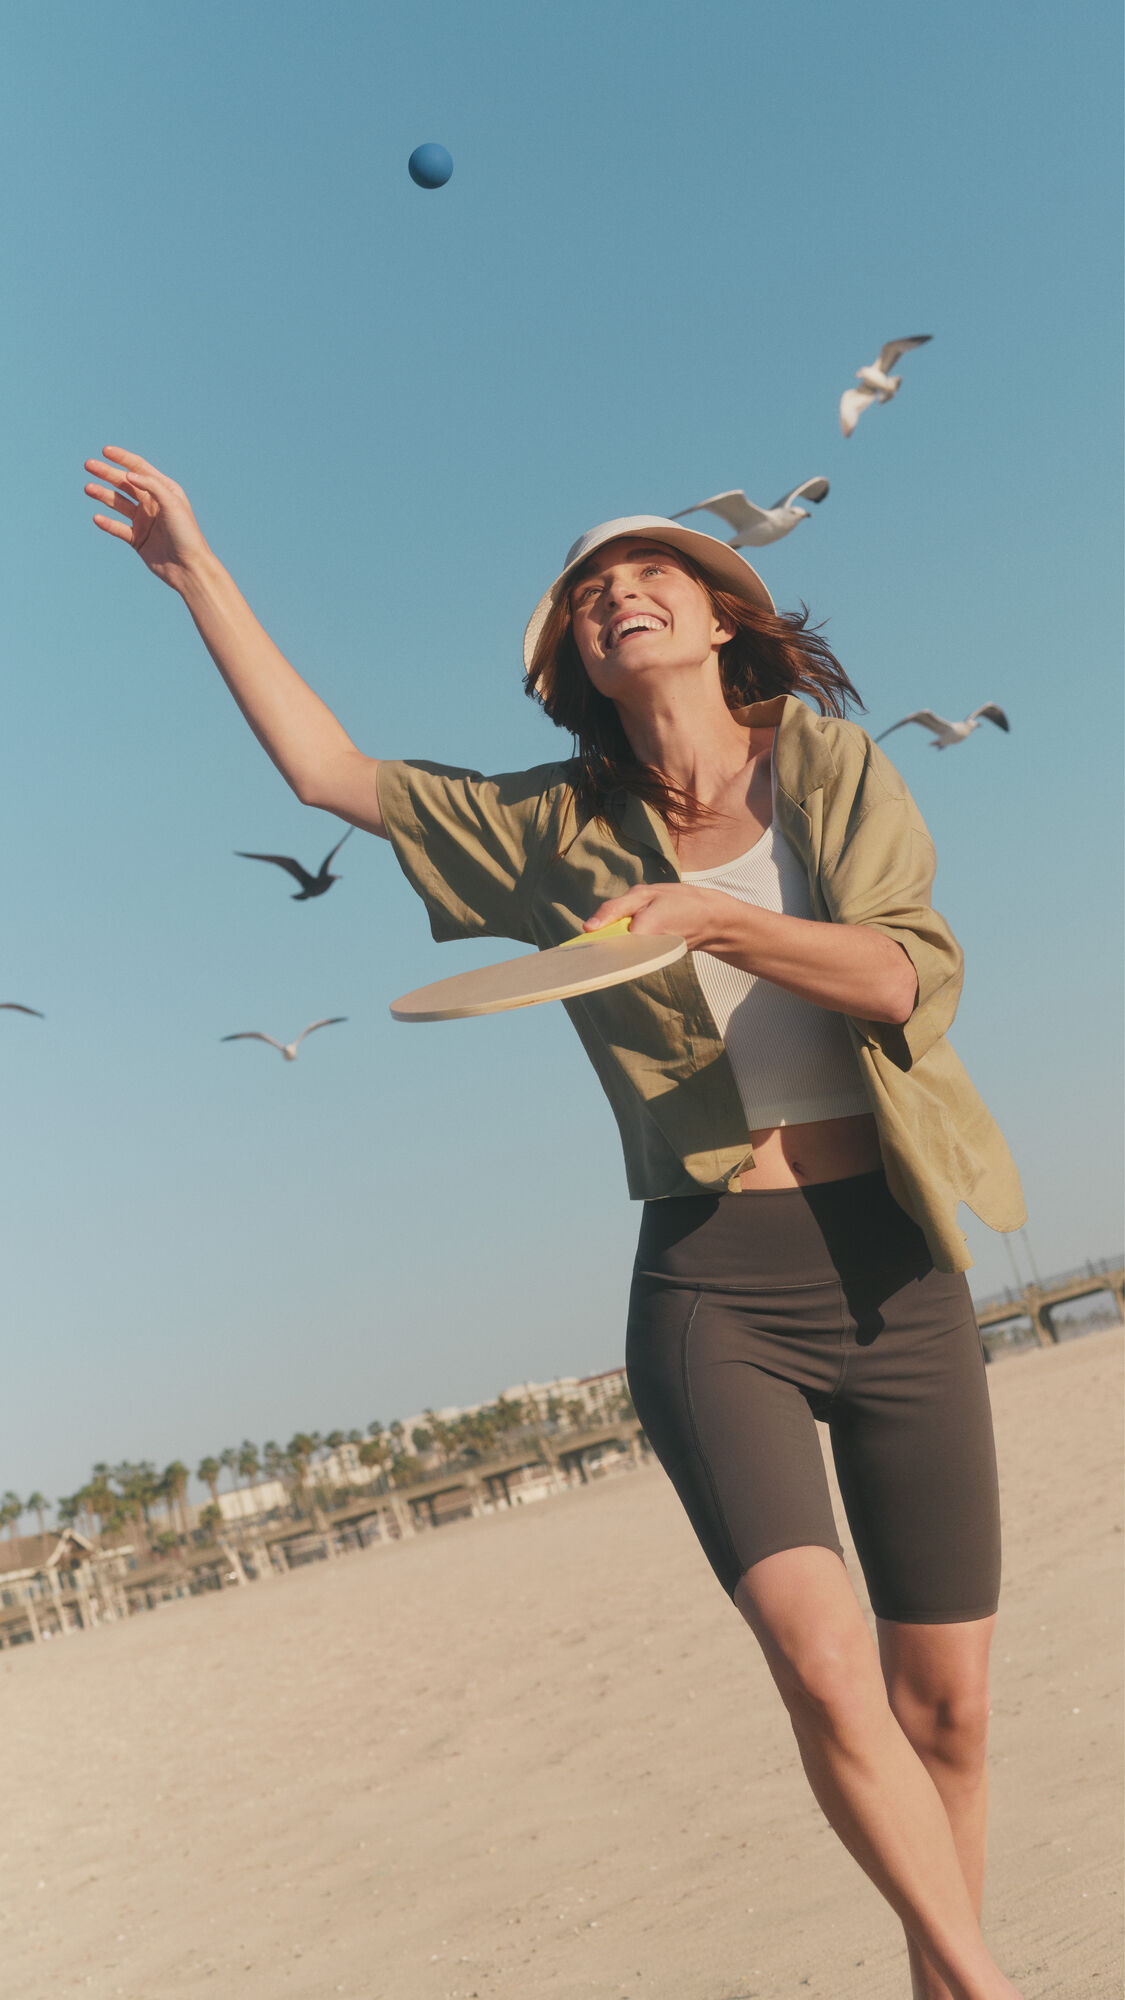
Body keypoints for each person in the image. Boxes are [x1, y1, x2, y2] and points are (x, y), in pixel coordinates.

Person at [84, 447, 1027, 2000]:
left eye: (650, 570)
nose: (616, 592)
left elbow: (902, 979)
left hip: (897, 1269)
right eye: (588, 589)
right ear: (570, 655)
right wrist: (196, 570)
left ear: (727, 614)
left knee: (950, 1718)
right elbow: (331, 778)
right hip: (716, 1286)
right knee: (823, 1669)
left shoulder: (838, 773)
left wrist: (718, 915)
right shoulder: (548, 830)